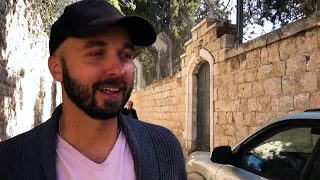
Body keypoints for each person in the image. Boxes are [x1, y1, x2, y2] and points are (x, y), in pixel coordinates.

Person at [0, 0, 187, 179]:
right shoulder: (9, 162)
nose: (117, 70)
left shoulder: (164, 149)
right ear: (57, 68)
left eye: (126, 55)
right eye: (96, 53)